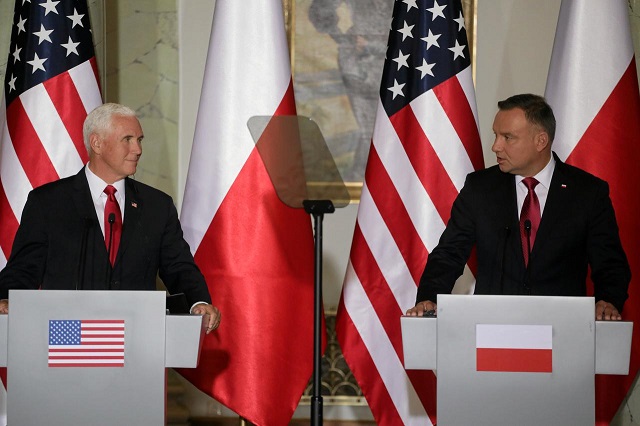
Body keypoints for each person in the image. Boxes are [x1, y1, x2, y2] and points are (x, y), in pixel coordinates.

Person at [406, 94, 630, 321]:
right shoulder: (480, 189)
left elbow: (610, 263)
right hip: (493, 331)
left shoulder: (587, 192)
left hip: (562, 332)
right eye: (496, 135)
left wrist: (608, 301)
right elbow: (448, 254)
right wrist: (429, 297)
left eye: (508, 137)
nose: (496, 146)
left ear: (540, 141)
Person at [0, 103, 221, 332]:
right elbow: (24, 269)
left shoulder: (157, 206)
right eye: (127, 139)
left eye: (140, 140)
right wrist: (6, 299)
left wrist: (199, 302)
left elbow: (179, 267)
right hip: (66, 339)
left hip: (139, 339)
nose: (138, 149)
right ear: (97, 143)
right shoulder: (48, 202)